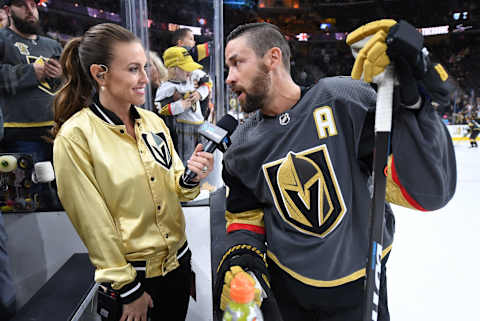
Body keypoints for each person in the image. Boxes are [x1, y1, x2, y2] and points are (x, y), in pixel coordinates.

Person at [214, 21, 456, 321]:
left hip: (360, 285)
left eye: (237, 63)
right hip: (287, 292)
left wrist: (413, 102)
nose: (229, 78)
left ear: (272, 58)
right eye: (228, 68)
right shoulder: (241, 146)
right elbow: (245, 219)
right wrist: (243, 260)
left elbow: (426, 191)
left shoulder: (342, 100)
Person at [52, 23, 214, 321]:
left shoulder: (153, 122)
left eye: (144, 67)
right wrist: (128, 290)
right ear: (100, 74)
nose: (145, 78)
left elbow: (177, 187)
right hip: (134, 284)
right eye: (133, 69)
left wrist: (192, 175)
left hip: (178, 268)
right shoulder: (75, 138)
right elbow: (94, 224)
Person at [0, 0, 62, 162]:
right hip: (20, 134)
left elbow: (69, 83)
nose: (30, 10)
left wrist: (60, 75)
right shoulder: (2, 39)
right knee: (30, 186)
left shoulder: (53, 45)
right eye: (22, 5)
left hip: (58, 132)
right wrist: (30, 72)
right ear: (8, 10)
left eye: (33, 5)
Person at [155, 46, 210, 165]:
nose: (189, 72)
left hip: (201, 124)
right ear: (173, 69)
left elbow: (207, 81)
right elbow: (160, 107)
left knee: (205, 154)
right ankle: (186, 179)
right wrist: (180, 105)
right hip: (184, 127)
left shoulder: (193, 76)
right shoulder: (167, 87)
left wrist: (199, 94)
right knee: (187, 157)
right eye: (185, 68)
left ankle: (202, 177)